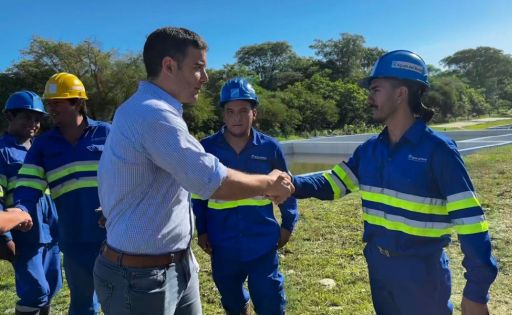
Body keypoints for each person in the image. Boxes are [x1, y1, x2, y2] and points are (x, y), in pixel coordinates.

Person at [94, 27, 293, 315]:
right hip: (142, 278)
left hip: (170, 266)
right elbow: (209, 181)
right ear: (169, 66)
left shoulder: (141, 109)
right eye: (198, 67)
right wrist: (269, 183)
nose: (205, 77)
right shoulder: (153, 114)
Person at [291, 50, 498, 315]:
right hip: (379, 266)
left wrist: (476, 293)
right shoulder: (369, 150)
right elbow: (334, 183)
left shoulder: (438, 151)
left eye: (375, 90)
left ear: (400, 94)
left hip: (422, 275)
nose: (369, 99)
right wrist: (292, 183)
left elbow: (471, 223)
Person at [192, 78, 298, 315]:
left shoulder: (270, 147)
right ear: (223, 115)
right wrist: (202, 230)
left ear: (254, 114)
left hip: (262, 239)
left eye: (243, 111)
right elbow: (198, 194)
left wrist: (288, 225)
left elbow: (287, 188)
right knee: (232, 298)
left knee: (270, 299)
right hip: (222, 241)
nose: (236, 118)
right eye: (230, 111)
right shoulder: (206, 148)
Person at [9, 74, 110, 315]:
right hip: (73, 238)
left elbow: (132, 175)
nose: (50, 109)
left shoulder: (108, 133)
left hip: (113, 235)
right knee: (82, 304)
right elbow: (28, 185)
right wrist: (20, 209)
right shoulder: (44, 144)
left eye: (57, 102)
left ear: (76, 102)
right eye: (49, 102)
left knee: (121, 301)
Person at [0, 91, 62, 315]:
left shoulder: (42, 149)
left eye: (37, 119)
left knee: (52, 286)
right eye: (26, 117)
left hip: (51, 232)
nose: (33, 124)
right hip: (24, 235)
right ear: (10, 117)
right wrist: (5, 237)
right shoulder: (3, 152)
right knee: (35, 290)